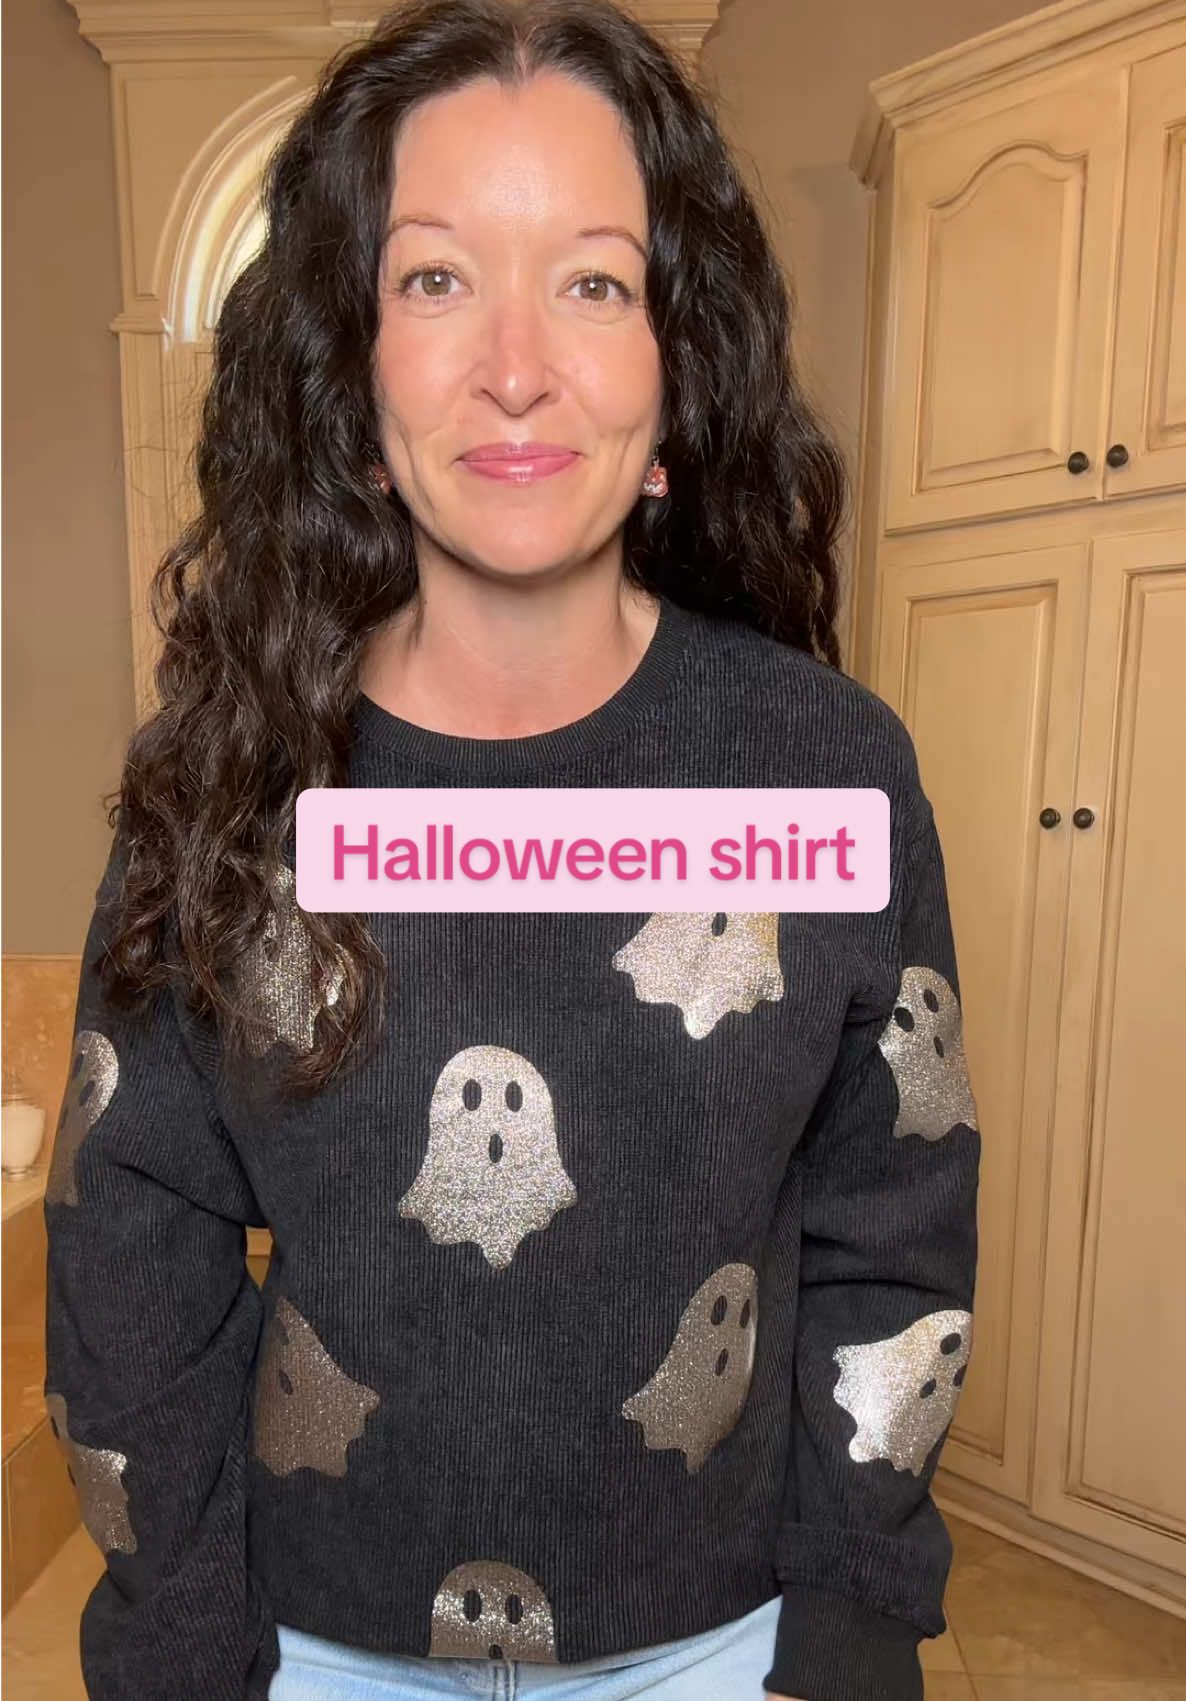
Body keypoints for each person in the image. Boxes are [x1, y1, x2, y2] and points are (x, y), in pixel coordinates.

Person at [41, 2, 981, 1698]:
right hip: (308, 1647)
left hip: (727, 1647)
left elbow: (889, 1220)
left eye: (594, 282)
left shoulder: (828, 768)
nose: (516, 363)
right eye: (434, 277)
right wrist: (182, 1645)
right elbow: (132, 1249)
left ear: (677, 359)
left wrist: (845, 1632)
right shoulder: (221, 781)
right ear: (351, 364)